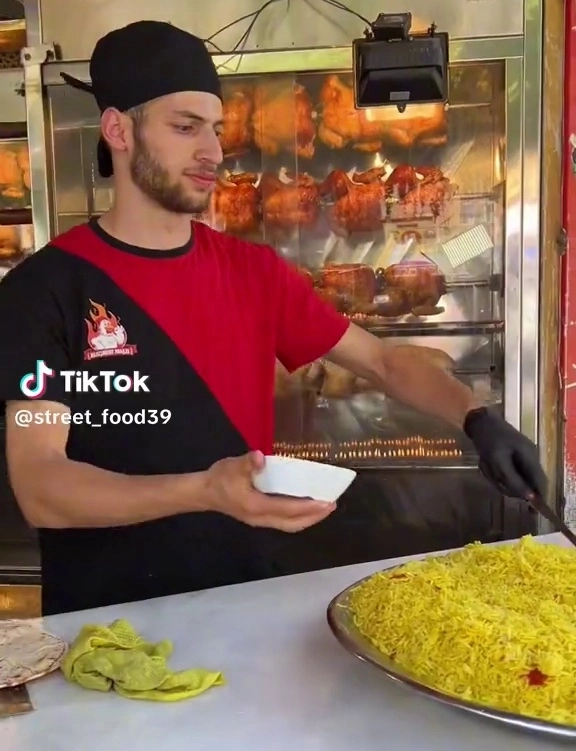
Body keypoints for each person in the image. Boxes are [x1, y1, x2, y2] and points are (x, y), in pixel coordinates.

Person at [0, 21, 546, 615]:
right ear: (118, 130)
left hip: (246, 600)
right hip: (105, 623)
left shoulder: (253, 271)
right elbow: (41, 485)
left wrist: (476, 419)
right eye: (185, 127)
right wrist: (204, 490)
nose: (212, 152)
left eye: (215, 130)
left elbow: (383, 362)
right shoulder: (42, 290)